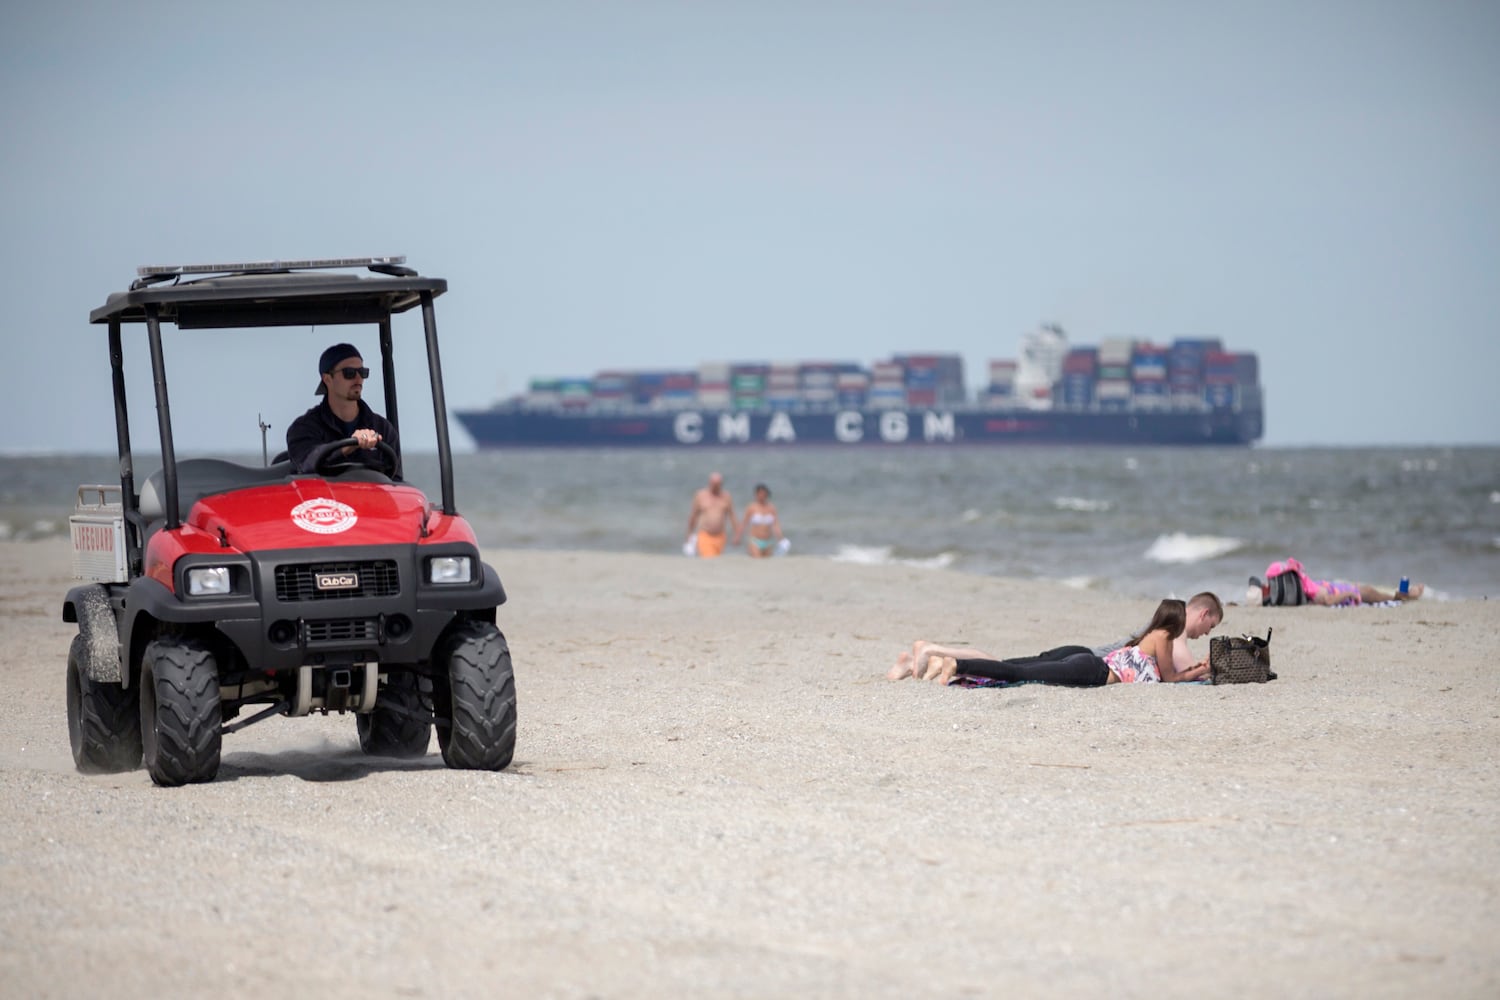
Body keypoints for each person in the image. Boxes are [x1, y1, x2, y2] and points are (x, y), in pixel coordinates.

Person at [889, 592, 1223, 682]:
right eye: (1209, 626)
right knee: (1015, 671)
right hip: (1089, 664)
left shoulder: (1150, 633)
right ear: (1199, 615)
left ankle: (926, 658)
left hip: (1087, 659)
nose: (1205, 632)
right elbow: (1171, 675)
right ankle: (947, 659)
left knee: (1009, 665)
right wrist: (1201, 671)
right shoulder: (1169, 635)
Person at [286, 343, 401, 476]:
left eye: (363, 372)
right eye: (349, 373)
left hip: (369, 495)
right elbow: (307, 462)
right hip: (322, 496)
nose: (358, 379)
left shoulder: (383, 429)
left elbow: (396, 482)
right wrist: (348, 447)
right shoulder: (303, 428)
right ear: (327, 379)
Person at [1256, 558, 1424, 606]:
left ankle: (1401, 594)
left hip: (1334, 587)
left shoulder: (1301, 590)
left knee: (1371, 590)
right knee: (1372, 593)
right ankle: (1402, 595)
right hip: (1341, 591)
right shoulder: (1311, 592)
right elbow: (1328, 600)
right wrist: (1349, 593)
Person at [684, 472, 735, 558]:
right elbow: (694, 516)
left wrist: (736, 534)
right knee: (709, 558)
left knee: (716, 560)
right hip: (705, 535)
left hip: (720, 536)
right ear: (710, 483)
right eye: (714, 484)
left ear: (721, 484)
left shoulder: (726, 497)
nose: (715, 486)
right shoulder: (701, 495)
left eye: (718, 484)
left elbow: (732, 516)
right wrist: (689, 533)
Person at [735, 483, 787, 558]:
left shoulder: (771, 508)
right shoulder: (751, 507)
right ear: (756, 494)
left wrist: (781, 538)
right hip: (755, 541)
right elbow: (744, 523)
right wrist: (738, 536)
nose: (761, 496)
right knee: (757, 562)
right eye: (760, 494)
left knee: (767, 564)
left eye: (763, 494)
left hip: (768, 541)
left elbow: (776, 525)